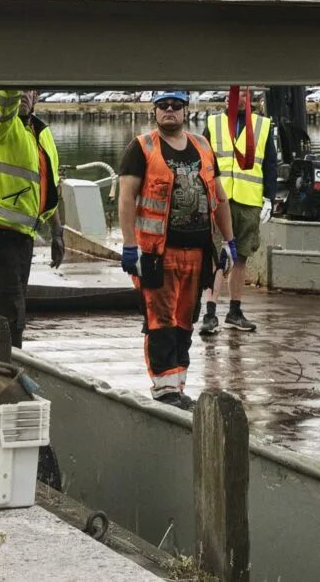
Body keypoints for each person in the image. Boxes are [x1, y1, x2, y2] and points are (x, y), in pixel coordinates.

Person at [115, 88, 231, 408]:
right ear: (154, 111)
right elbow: (125, 198)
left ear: (185, 110)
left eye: (175, 105)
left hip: (196, 254)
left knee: (185, 322)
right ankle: (164, 390)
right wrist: (128, 245)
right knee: (160, 322)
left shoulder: (203, 146)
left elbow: (219, 198)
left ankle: (178, 386)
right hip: (157, 254)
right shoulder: (141, 147)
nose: (169, 110)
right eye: (163, 105)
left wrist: (229, 241)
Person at [0, 88, 63, 348]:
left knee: (10, 314)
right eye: (18, 88)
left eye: (29, 90)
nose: (22, 94)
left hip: (23, 239)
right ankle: (1, 376)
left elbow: (50, 186)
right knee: (7, 316)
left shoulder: (40, 134)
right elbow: (6, 95)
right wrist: (16, 70)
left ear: (37, 97)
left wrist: (56, 231)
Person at [200, 88, 278, 335]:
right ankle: (210, 313)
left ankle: (234, 311)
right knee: (216, 257)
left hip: (249, 201)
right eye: (228, 95)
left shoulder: (263, 126)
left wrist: (270, 198)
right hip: (219, 200)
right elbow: (202, 161)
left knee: (241, 256)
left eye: (240, 94)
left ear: (250, 97)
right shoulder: (213, 123)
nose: (232, 99)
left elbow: (271, 164)